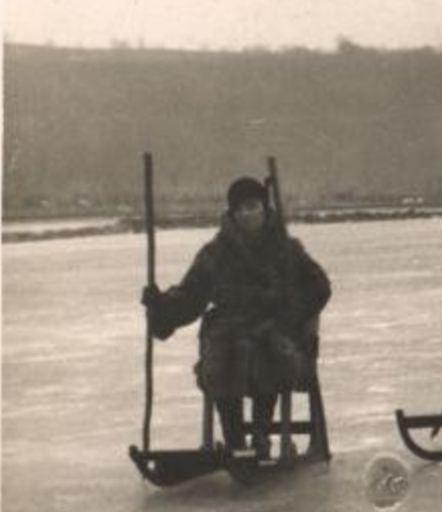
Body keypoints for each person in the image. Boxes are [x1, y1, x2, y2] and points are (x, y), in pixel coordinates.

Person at [142, 176, 331, 458]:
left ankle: (260, 436)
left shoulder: (286, 249)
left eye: (252, 206)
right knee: (221, 355)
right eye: (240, 209)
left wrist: (292, 312)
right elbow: (190, 296)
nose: (246, 214)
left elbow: (319, 287)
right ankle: (234, 442)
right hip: (227, 329)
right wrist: (160, 306)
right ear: (232, 213)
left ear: (264, 209)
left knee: (266, 351)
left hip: (274, 327)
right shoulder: (215, 254)